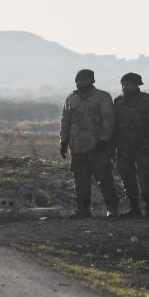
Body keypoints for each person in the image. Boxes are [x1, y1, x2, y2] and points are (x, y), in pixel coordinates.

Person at [59, 69, 118, 219]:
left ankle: (112, 208)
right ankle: (83, 210)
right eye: (78, 80)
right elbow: (65, 121)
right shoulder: (71, 98)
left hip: (97, 146)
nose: (81, 82)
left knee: (104, 179)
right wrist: (63, 141)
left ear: (92, 81)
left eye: (84, 79)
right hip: (77, 147)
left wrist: (104, 140)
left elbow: (109, 119)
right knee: (80, 181)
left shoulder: (102, 97)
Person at [112, 72, 149, 219]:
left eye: (127, 84)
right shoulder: (118, 101)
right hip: (123, 146)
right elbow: (114, 125)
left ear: (136, 85)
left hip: (142, 145)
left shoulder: (148, 100)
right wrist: (112, 146)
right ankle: (134, 208)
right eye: (123, 84)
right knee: (127, 177)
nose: (124, 87)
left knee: (145, 177)